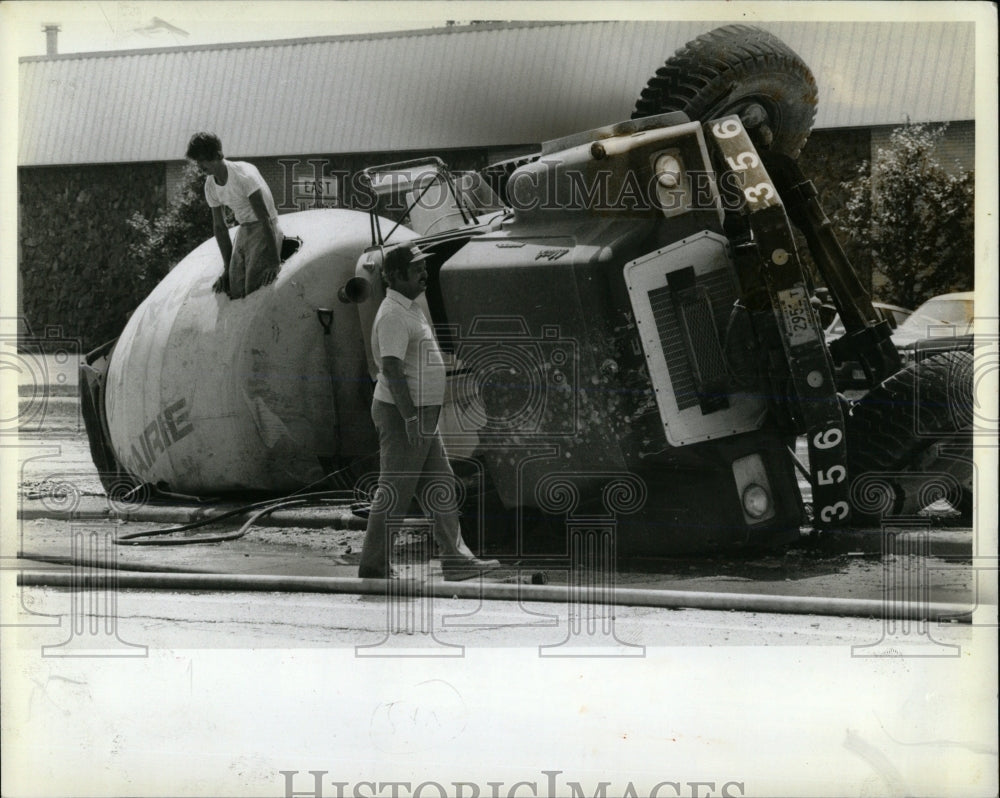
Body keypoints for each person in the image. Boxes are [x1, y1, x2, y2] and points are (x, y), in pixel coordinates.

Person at [358, 244, 500, 581]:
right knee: (395, 489)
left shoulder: (409, 307)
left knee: (440, 483)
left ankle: (455, 559)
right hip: (404, 415)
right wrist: (409, 418)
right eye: (416, 268)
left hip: (421, 415)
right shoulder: (392, 313)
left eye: (424, 266)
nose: (424, 273)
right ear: (394, 276)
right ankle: (373, 565)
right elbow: (391, 370)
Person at [185, 132, 283, 299]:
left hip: (264, 226)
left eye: (203, 160)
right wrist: (227, 268)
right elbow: (219, 227)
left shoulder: (243, 175)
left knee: (254, 285)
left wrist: (274, 261)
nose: (200, 165)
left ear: (217, 155)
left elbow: (264, 217)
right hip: (244, 227)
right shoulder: (210, 185)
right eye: (197, 161)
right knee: (235, 286)